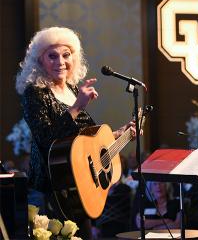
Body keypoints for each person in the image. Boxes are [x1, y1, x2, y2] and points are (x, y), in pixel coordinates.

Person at [15, 26, 138, 238]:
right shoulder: (34, 92)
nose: (60, 62)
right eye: (52, 56)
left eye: (66, 55)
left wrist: (118, 134)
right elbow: (46, 139)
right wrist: (77, 107)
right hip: (50, 188)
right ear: (39, 61)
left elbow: (82, 141)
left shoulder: (72, 90)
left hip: (78, 187)